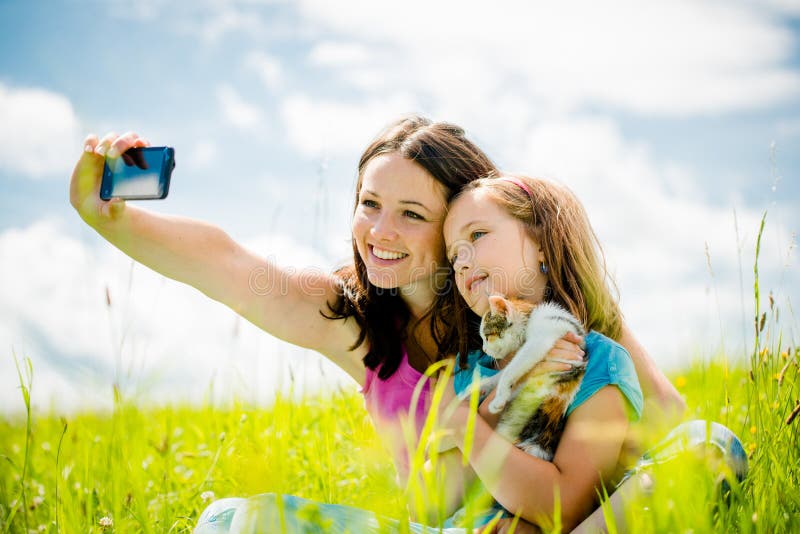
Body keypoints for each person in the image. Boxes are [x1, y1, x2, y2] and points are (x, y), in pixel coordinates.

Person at [69, 116, 685, 532]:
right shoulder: (352, 319)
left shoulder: (548, 317)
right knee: (236, 519)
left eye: (412, 214)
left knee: (705, 452)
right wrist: (113, 221)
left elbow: (666, 419)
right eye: (369, 204)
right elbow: (229, 262)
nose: (380, 234)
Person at [434, 174, 747, 531]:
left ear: (540, 239)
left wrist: (467, 428)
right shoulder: (461, 372)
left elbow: (563, 505)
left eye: (476, 235)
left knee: (708, 446)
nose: (460, 261)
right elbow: (435, 504)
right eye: (453, 254)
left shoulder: (595, 359)